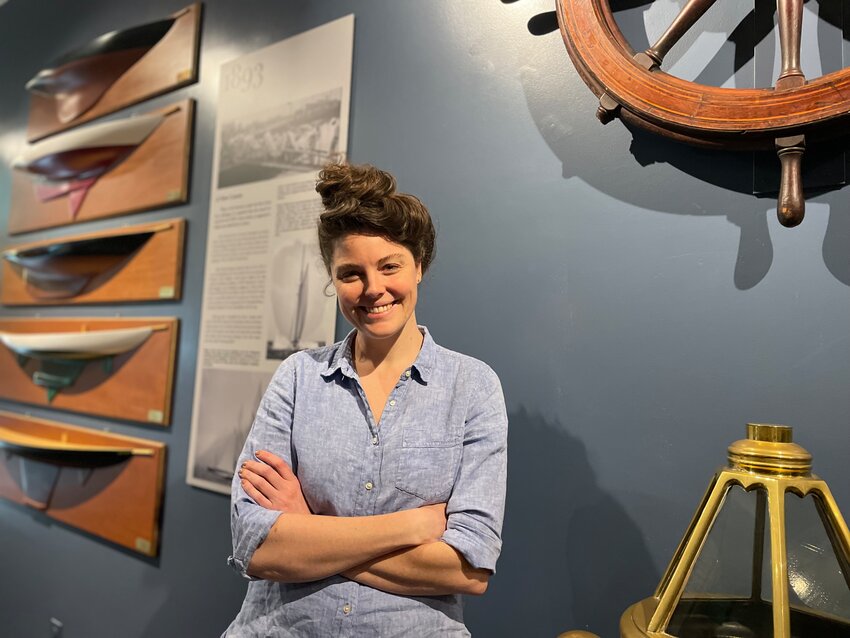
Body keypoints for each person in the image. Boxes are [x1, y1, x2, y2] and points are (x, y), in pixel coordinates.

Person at [224, 162, 508, 636]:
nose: (373, 288)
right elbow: (258, 548)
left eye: (390, 266)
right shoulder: (298, 377)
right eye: (350, 273)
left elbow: (468, 569)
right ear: (333, 281)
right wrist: (413, 527)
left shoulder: (473, 387)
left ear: (419, 266)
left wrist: (308, 527)